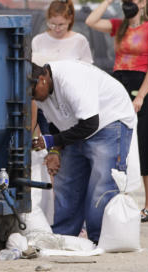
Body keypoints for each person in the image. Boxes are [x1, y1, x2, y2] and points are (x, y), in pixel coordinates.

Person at [29, 60, 136, 243]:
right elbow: (53, 123)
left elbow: (90, 124)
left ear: (42, 80)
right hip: (76, 127)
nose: (34, 99)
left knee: (101, 185)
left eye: (33, 93)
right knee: (67, 184)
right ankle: (64, 238)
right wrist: (54, 150)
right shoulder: (42, 94)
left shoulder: (70, 80)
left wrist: (52, 141)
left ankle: (99, 239)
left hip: (108, 122)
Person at [86, 0, 148, 222]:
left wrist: (140, 95)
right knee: (117, 140)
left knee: (145, 142)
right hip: (118, 83)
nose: (128, 4)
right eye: (125, 0)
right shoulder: (119, 27)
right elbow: (91, 21)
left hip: (141, 84)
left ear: (143, 3)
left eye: (133, 0)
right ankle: (117, 198)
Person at [31, 0, 93, 136]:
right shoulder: (38, 40)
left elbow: (87, 72)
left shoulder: (79, 41)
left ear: (70, 20)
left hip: (71, 104)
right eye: (52, 24)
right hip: (45, 105)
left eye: (61, 25)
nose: (57, 29)